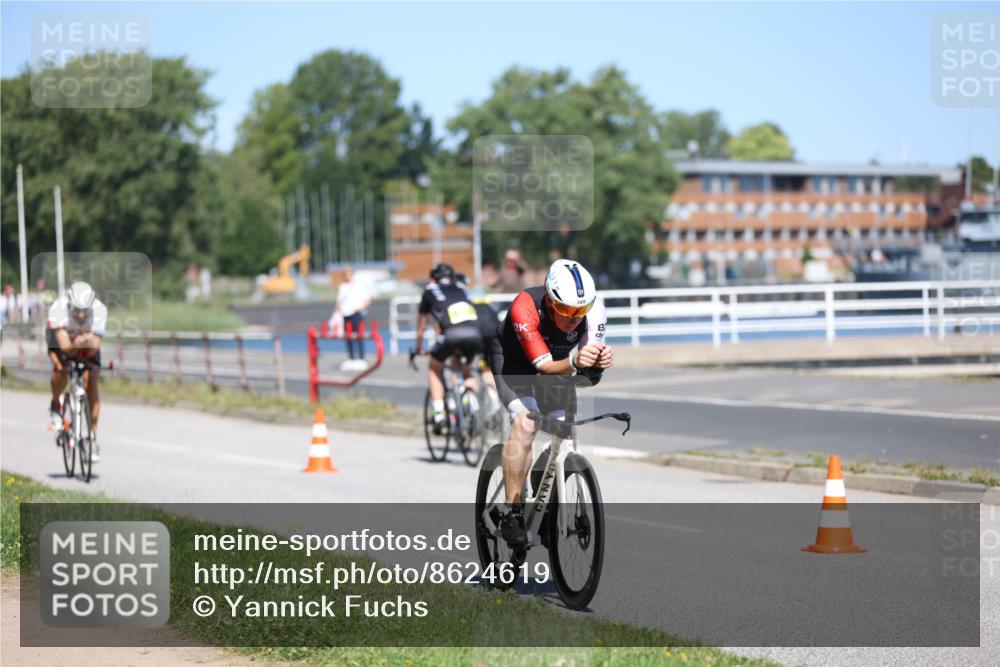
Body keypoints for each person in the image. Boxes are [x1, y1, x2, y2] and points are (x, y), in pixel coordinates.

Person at [488, 259, 614, 545]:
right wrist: (574, 360)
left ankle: (544, 495)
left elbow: (586, 376)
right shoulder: (525, 307)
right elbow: (543, 368)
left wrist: (598, 364)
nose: (573, 319)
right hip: (515, 364)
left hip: (558, 366)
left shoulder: (594, 310)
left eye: (580, 312)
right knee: (525, 423)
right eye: (566, 311)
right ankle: (510, 511)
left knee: (564, 433)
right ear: (549, 298)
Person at [414, 263, 482, 434]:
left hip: (450, 335)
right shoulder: (461, 288)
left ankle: (438, 413)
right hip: (474, 333)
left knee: (434, 367)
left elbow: (422, 324)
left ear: (432, 278)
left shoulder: (430, 290)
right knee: (465, 368)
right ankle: (471, 404)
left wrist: (418, 347)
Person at [47, 281, 108, 462]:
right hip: (61, 342)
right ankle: (56, 405)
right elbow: (65, 347)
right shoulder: (58, 308)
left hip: (85, 347)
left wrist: (82, 342)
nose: (81, 315)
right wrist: (80, 341)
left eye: (85, 310)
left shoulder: (99, 309)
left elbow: (95, 346)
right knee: (61, 371)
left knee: (92, 383)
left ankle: (91, 438)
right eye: (76, 310)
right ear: (69, 304)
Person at [328, 267, 372, 371]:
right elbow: (339, 301)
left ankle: (361, 358)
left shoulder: (359, 286)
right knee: (348, 336)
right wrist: (338, 310)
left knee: (358, 335)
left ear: (352, 274)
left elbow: (368, 299)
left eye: (348, 274)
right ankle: (351, 358)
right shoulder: (342, 286)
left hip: (356, 313)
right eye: (344, 274)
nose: (346, 276)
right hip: (345, 314)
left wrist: (360, 307)